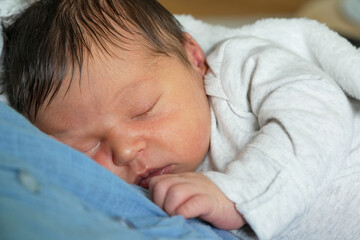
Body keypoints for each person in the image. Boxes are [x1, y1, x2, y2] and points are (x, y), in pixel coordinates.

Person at [1, 0, 360, 239]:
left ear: (193, 57)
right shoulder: (147, 196)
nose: (125, 150)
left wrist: (237, 194)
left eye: (143, 109)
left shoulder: (238, 71)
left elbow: (319, 110)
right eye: (85, 144)